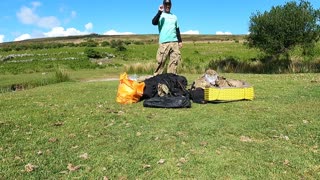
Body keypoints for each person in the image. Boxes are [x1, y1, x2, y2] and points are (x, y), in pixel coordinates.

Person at [152, 0, 182, 75]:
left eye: (169, 4)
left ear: (171, 5)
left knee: (174, 62)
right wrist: (159, 12)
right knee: (160, 62)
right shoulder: (161, 15)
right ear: (164, 5)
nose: (167, 6)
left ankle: (171, 80)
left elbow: (177, 29)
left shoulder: (174, 17)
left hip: (174, 42)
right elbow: (154, 22)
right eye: (166, 4)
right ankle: (156, 80)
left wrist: (180, 41)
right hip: (164, 43)